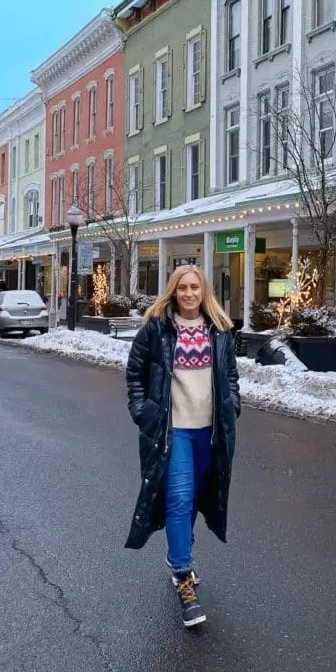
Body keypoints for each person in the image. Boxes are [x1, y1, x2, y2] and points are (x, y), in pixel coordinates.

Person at [124, 265, 241, 628]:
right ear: (173, 292)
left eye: (195, 287)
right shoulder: (156, 331)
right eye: (182, 288)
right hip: (173, 433)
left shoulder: (220, 331)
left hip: (209, 433)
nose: (189, 293)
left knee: (192, 500)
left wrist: (232, 405)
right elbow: (135, 374)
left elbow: (231, 377)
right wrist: (144, 413)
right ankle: (184, 577)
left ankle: (179, 553)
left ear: (204, 291)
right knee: (177, 498)